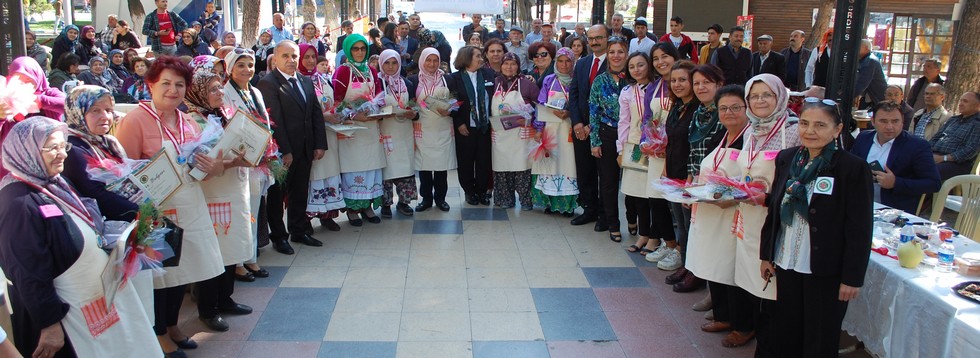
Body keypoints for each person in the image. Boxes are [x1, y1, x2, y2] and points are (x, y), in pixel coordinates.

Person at [0, 116, 159, 358]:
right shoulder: (17, 203)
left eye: (63, 145)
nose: (61, 153)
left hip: (93, 302)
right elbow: (28, 272)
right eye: (51, 148)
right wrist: (49, 324)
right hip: (67, 317)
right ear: (26, 151)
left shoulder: (55, 182)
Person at [114, 56, 225, 357]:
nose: (173, 90)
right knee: (160, 274)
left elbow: (204, 164)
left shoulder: (187, 118)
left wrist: (211, 165)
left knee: (182, 270)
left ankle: (173, 325)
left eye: (179, 84)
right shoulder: (135, 120)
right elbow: (121, 173)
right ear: (150, 84)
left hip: (190, 205)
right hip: (156, 212)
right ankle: (159, 332)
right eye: (165, 83)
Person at [760, 97, 873, 358]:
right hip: (787, 259)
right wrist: (766, 254)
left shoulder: (851, 168)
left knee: (820, 335)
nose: (810, 131)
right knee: (787, 328)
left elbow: (860, 226)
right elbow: (775, 208)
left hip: (825, 267)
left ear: (837, 129)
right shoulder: (787, 159)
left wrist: (852, 277)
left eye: (820, 125)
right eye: (804, 123)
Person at [735, 73, 803, 356]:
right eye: (754, 96)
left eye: (767, 95)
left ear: (780, 97)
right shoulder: (751, 130)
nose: (760, 101)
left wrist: (769, 197)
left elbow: (800, 179)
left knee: (773, 287)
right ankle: (759, 335)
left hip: (778, 219)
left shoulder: (794, 130)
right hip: (749, 216)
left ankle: (771, 346)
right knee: (752, 283)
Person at [182, 70, 255, 333]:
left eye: (220, 88)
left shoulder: (222, 113)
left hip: (232, 187)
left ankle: (225, 298)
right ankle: (208, 309)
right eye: (213, 89)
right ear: (198, 92)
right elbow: (199, 161)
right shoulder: (192, 120)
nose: (219, 93)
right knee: (213, 250)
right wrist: (232, 161)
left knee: (231, 244)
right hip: (211, 193)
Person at [686, 84, 756, 348]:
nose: (729, 113)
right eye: (723, 108)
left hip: (733, 213)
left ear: (747, 109)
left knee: (732, 267)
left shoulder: (751, 139)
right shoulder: (722, 136)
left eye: (735, 107)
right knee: (715, 264)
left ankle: (743, 324)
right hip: (709, 209)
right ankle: (723, 315)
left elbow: (751, 176)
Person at [256, 41, 328, 253]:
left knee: (300, 192)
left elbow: (315, 114)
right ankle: (279, 236)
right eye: (286, 56)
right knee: (278, 195)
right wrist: (285, 151)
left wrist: (319, 144)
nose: (291, 60)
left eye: (294, 56)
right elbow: (274, 120)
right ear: (275, 58)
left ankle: (298, 229)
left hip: (305, 148)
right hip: (283, 152)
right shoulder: (269, 83)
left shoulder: (305, 81)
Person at [222, 48, 276, 280]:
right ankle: (238, 262)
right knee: (241, 212)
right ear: (230, 68)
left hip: (259, 159)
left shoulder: (255, 91)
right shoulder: (225, 94)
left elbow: (265, 123)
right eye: (241, 65)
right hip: (238, 160)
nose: (247, 70)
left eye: (250, 65)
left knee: (253, 211)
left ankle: (250, 257)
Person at [333, 35, 386, 225]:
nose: (360, 52)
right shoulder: (342, 72)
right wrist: (353, 115)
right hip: (352, 130)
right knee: (354, 169)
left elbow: (379, 95)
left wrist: (378, 110)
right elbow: (336, 101)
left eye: (363, 48)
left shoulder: (371, 70)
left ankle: (367, 206)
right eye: (355, 49)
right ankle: (352, 209)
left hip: (371, 128)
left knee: (371, 168)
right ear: (348, 50)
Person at [851, 101, 941, 213]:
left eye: (895, 121)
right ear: (873, 121)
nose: (889, 127)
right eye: (883, 121)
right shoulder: (863, 138)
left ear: (902, 122)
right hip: (857, 203)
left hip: (893, 211)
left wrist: (895, 183)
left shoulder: (917, 146)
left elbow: (933, 183)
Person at [660, 60, 700, 291]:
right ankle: (685, 265)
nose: (677, 84)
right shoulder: (677, 107)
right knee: (682, 226)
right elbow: (671, 140)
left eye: (683, 80)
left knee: (691, 224)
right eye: (673, 80)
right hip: (673, 172)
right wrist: (666, 166)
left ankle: (695, 270)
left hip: (690, 176)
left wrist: (691, 176)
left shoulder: (698, 109)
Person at [617, 49, 661, 254]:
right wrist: (620, 149)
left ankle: (655, 236)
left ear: (649, 65)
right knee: (637, 193)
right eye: (632, 66)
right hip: (635, 146)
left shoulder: (660, 88)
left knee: (654, 194)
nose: (636, 69)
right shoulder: (627, 92)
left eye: (641, 64)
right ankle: (644, 234)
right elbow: (624, 122)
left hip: (658, 145)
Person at [568, 24, 609, 231]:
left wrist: (592, 126)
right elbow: (574, 94)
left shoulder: (615, 62)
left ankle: (605, 214)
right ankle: (589, 209)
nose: (594, 42)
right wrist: (576, 122)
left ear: (607, 38)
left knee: (604, 174)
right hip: (580, 129)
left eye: (599, 38)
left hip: (603, 130)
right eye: (591, 38)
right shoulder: (582, 63)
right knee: (584, 171)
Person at [589, 37, 629, 241]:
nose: (616, 56)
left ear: (626, 53)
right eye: (612, 52)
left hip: (632, 137)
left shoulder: (635, 78)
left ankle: (634, 220)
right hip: (606, 134)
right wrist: (594, 141)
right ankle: (613, 223)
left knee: (631, 182)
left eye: (620, 51)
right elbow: (593, 111)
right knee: (608, 182)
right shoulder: (600, 80)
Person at [532, 47, 578, 216]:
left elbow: (582, 104)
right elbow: (541, 104)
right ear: (555, 63)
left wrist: (570, 113)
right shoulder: (549, 80)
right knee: (550, 164)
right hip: (550, 129)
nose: (564, 65)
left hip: (569, 130)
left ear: (573, 62)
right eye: (560, 61)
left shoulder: (577, 80)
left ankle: (567, 205)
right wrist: (538, 128)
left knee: (568, 165)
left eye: (568, 61)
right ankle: (549, 203)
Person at [490, 53, 539, 210]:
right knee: (502, 167)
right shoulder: (496, 82)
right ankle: (505, 198)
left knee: (522, 167)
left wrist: (529, 119)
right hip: (499, 134)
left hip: (521, 134)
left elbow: (539, 106)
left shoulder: (526, 84)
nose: (509, 67)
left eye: (513, 64)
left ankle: (525, 200)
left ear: (518, 66)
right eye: (506, 64)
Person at [411, 48, 457, 211]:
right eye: (428, 60)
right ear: (422, 61)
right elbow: (409, 103)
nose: (432, 64)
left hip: (442, 128)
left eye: (435, 60)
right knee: (424, 167)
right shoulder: (414, 80)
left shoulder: (447, 80)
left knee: (441, 167)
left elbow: (456, 101)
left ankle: (440, 198)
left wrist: (450, 109)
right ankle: (426, 199)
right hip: (423, 129)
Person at [377, 50, 421, 216]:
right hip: (385, 131)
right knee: (387, 168)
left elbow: (415, 106)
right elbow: (372, 107)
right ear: (381, 63)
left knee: (405, 166)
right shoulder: (377, 83)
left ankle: (404, 202)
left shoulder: (407, 83)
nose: (390, 66)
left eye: (394, 63)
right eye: (387, 63)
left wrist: (413, 113)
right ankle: (386, 204)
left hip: (404, 132)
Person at [451, 45, 495, 206]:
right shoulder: (454, 78)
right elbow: (452, 103)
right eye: (477, 56)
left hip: (484, 126)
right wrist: (459, 122)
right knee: (466, 161)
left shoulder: (488, 74)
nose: (481, 59)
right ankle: (470, 191)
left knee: (484, 161)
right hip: (465, 127)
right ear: (467, 58)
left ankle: (482, 191)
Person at [929, 91, 980, 181]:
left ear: (977, 105)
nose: (960, 104)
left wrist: (943, 158)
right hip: (936, 156)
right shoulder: (953, 120)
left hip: (957, 164)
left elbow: (970, 150)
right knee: (907, 162)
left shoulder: (977, 124)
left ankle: (927, 195)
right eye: (960, 101)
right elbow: (936, 138)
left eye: (965, 101)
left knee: (929, 171)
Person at [855, 39, 887, 110]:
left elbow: (861, 84)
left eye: (858, 47)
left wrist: (845, 97)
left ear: (866, 48)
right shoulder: (865, 60)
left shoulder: (870, 61)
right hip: (870, 97)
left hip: (877, 99)